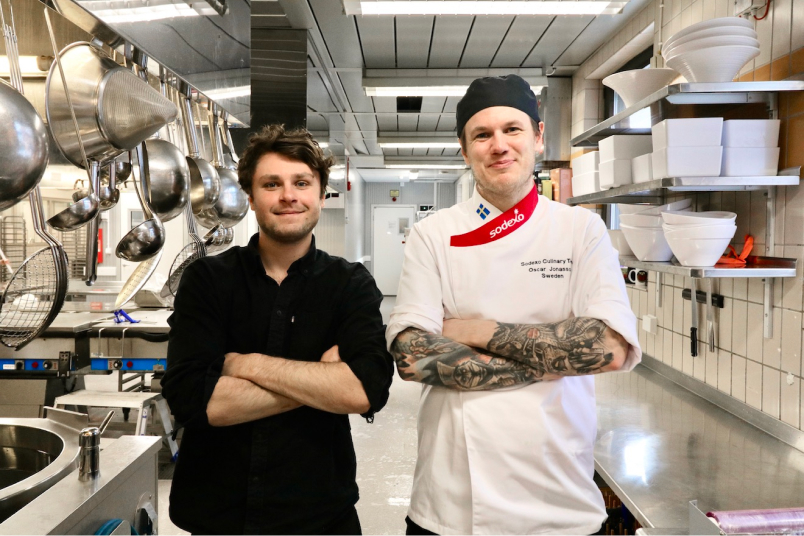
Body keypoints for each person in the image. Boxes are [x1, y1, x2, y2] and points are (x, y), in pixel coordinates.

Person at [386, 75, 642, 535]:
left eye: (512, 129)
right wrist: (551, 361)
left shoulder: (580, 230)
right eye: (481, 135)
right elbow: (411, 355)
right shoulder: (434, 234)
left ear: (539, 137)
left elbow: (607, 348)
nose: (498, 145)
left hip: (558, 500)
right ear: (465, 151)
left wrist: (476, 330)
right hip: (451, 506)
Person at [162, 124, 394, 535]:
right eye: (272, 183)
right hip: (217, 516)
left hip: (320, 515)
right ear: (251, 198)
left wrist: (244, 364)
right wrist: (319, 383)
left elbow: (363, 390)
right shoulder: (208, 280)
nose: (288, 195)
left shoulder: (350, 284)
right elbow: (194, 400)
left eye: (301, 182)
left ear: (321, 195)